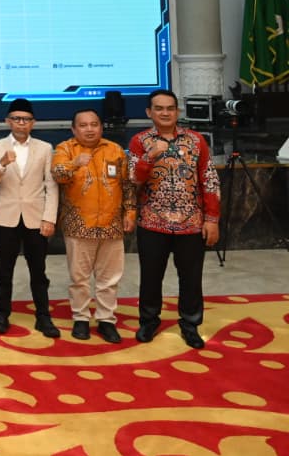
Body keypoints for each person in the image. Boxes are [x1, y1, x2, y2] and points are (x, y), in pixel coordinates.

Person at [128, 89, 220, 349]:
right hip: (152, 222)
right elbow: (133, 179)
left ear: (177, 111)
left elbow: (209, 180)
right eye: (159, 108)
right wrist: (150, 156)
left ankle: (190, 325)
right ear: (149, 112)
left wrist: (212, 219)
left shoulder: (196, 140)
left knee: (191, 278)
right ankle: (148, 321)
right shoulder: (139, 141)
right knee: (150, 277)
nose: (165, 113)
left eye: (170, 108)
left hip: (191, 223)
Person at [51, 109, 135, 343]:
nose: (89, 129)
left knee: (109, 278)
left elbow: (127, 185)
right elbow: (58, 175)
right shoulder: (65, 149)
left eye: (94, 124)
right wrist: (74, 164)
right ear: (74, 129)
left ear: (101, 126)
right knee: (79, 278)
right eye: (83, 125)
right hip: (79, 225)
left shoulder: (115, 150)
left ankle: (106, 319)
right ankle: (81, 317)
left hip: (111, 224)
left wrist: (130, 212)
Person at [0, 99, 59, 338]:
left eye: (26, 119)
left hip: (36, 218)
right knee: (4, 271)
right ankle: (1, 315)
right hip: (6, 218)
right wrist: (1, 164)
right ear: (8, 121)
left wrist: (49, 218)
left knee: (39, 271)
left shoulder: (45, 148)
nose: (21, 123)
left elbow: (51, 185)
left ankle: (43, 317)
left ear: (33, 123)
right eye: (16, 119)